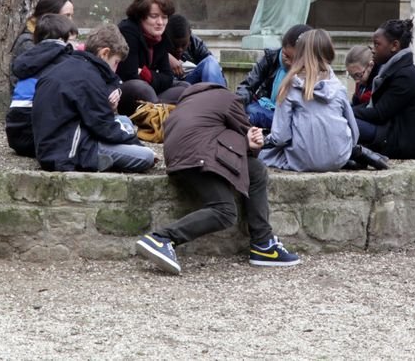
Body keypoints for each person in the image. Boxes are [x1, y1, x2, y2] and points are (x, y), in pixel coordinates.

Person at [134, 82, 300, 275]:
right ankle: (162, 238)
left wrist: (246, 146)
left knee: (255, 170)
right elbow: (245, 136)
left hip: (179, 161)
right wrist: (254, 145)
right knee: (225, 211)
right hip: (199, 157)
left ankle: (263, 243)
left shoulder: (186, 104)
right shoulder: (228, 98)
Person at [33, 24, 155, 173]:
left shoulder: (72, 66)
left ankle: (104, 157)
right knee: (145, 156)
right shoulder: (89, 78)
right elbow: (104, 126)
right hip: (68, 151)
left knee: (124, 121)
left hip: (56, 141)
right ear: (104, 53)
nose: (116, 69)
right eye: (116, 62)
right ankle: (95, 161)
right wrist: (136, 144)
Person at [258, 29, 359, 172]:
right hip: (339, 158)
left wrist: (265, 140)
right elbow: (354, 132)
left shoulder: (290, 86)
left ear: (299, 53)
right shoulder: (338, 87)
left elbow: (281, 137)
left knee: (260, 155)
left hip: (303, 160)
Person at [352, 18, 415, 159]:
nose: (373, 50)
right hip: (390, 132)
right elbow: (373, 106)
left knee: (343, 123)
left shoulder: (405, 75)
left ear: (394, 45)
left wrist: (347, 112)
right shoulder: (393, 69)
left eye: (377, 45)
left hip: (402, 142)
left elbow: (379, 113)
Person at [4, 14, 76, 157]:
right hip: (41, 140)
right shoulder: (64, 62)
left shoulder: (30, 60)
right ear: (62, 40)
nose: (75, 46)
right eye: (73, 41)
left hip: (16, 136)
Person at [115, 0, 188, 116]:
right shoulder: (128, 31)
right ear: (141, 16)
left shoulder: (160, 36)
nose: (160, 22)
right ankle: (158, 120)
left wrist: (145, 73)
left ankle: (158, 109)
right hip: (125, 92)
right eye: (154, 16)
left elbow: (168, 77)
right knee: (141, 88)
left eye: (164, 17)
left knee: (187, 88)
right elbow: (130, 75)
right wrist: (153, 77)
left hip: (151, 89)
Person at [235, 24, 310, 128]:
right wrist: (236, 105)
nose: (287, 60)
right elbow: (247, 85)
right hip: (267, 107)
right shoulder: (271, 58)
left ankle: (267, 121)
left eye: (293, 58)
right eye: (285, 55)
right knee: (248, 107)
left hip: (292, 115)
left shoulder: (310, 69)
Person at [10, 0, 74, 87]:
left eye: (71, 15)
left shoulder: (56, 40)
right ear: (50, 15)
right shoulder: (28, 42)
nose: (70, 21)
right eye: (66, 15)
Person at [164, 14, 227, 87]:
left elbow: (217, 72)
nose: (179, 49)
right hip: (171, 87)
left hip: (193, 83)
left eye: (184, 45)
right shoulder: (158, 44)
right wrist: (165, 56)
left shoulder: (196, 44)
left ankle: (217, 95)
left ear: (190, 35)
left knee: (210, 61)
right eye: (174, 45)